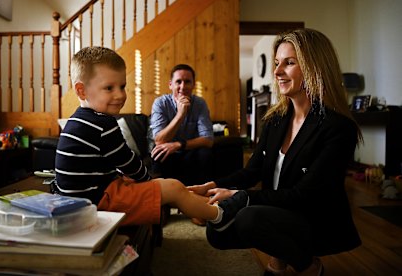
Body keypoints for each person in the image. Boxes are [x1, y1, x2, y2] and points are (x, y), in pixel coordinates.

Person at [188, 28, 362, 275]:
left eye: (289, 63)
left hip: (313, 219)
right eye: (277, 63)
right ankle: (279, 257)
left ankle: (309, 266)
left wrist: (239, 197)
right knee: (217, 232)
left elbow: (304, 195)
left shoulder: (338, 128)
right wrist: (211, 185)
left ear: (315, 67)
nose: (277, 72)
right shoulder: (276, 119)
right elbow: (253, 171)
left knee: (248, 217)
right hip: (280, 211)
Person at [54, 46, 221, 226]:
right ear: (81, 90)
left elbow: (104, 166)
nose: (120, 95)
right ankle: (220, 214)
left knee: (169, 186)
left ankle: (200, 204)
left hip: (84, 199)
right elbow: (129, 162)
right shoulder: (104, 124)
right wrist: (149, 182)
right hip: (96, 203)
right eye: (109, 88)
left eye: (122, 86)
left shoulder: (77, 120)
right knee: (171, 187)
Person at [150, 64, 214, 186]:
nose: (183, 86)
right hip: (169, 153)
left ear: (193, 85)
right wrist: (180, 114)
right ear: (171, 85)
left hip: (190, 150)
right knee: (158, 152)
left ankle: (200, 193)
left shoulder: (200, 104)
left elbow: (208, 140)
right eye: (178, 82)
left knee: (205, 153)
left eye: (187, 82)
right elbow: (159, 140)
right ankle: (163, 195)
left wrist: (178, 145)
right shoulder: (160, 103)